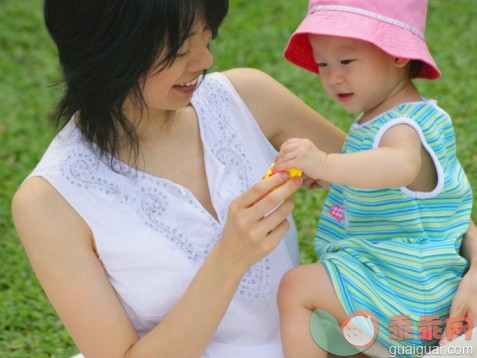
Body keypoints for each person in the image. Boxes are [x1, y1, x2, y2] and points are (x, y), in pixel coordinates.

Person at [10, 1, 477, 357]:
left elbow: (412, 197)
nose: (205, 60)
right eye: (179, 51)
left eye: (207, 39)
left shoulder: (245, 98)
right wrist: (229, 258)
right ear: (110, 56)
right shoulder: (50, 201)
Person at [274, 0, 475, 356]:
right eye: (323, 64)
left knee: (297, 286)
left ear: (397, 55)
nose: (333, 77)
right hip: (406, 285)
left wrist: (324, 163)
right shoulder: (389, 119)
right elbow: (391, 191)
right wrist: (325, 180)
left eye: (347, 61)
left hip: (408, 290)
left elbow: (399, 167)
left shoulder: (402, 126)